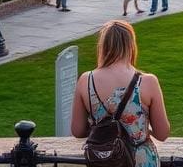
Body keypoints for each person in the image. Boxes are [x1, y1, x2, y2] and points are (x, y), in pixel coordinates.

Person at [71, 20, 170, 167]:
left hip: (104, 159)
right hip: (140, 159)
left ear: (103, 46)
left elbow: (77, 131)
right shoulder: (147, 82)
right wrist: (141, 129)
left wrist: (103, 128)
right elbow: (162, 133)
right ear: (131, 45)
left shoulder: (86, 80)